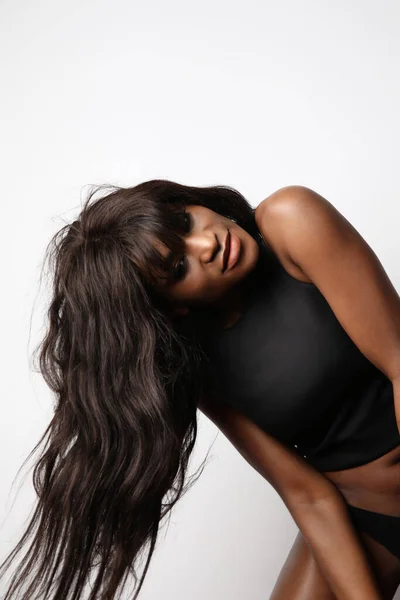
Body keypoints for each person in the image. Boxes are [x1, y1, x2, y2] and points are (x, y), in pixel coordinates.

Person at [0, 180, 399, 599]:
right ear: (173, 305)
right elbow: (307, 495)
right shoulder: (199, 368)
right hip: (365, 518)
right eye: (177, 268)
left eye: (184, 221)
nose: (205, 245)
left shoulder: (291, 220)